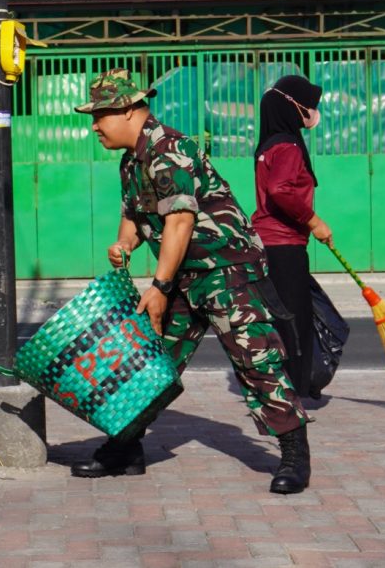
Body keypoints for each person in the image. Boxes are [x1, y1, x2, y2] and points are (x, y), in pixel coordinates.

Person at [72, 68, 312, 495]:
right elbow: (133, 214)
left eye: (101, 115)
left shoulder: (170, 149)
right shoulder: (132, 161)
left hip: (225, 270)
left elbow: (180, 221)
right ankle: (126, 449)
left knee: (255, 361)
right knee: (149, 363)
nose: (94, 126)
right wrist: (124, 246)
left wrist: (159, 288)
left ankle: (295, 454)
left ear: (129, 110)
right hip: (182, 270)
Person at [253, 75, 333, 400]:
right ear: (292, 107)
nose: (312, 112)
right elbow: (280, 190)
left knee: (280, 319)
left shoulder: (268, 146)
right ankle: (291, 396)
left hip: (268, 245)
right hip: (283, 246)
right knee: (294, 323)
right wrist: (314, 221)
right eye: (308, 106)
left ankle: (280, 389)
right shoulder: (287, 146)